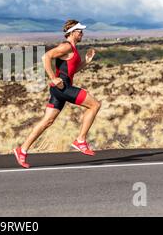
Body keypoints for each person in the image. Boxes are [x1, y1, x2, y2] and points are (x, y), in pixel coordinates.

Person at [13, 19, 102, 168]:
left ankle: (22, 150)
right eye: (80, 31)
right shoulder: (66, 46)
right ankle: (80, 140)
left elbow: (71, 70)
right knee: (95, 105)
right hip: (62, 88)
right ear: (72, 33)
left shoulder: (72, 49)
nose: (82, 34)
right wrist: (53, 78)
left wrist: (86, 61)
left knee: (47, 121)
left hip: (59, 89)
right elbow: (45, 57)